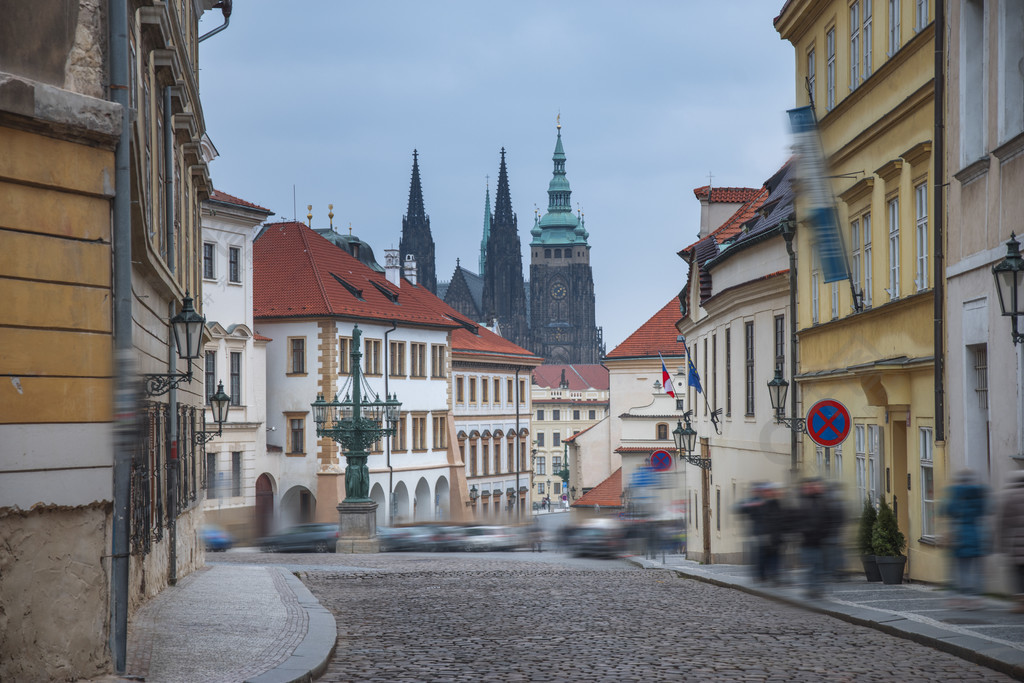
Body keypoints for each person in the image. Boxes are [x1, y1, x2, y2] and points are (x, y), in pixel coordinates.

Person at [943, 469, 990, 608]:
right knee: (976, 569)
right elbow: (986, 510)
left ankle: (962, 597)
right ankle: (975, 598)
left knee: (961, 569)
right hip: (977, 534)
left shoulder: (956, 494)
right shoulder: (978, 495)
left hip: (960, 535)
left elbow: (946, 510)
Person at [798, 477, 837, 598]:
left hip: (822, 540)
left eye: (817, 486)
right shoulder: (804, 502)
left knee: (820, 565)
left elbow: (831, 519)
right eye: (811, 486)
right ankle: (813, 587)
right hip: (809, 540)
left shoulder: (824, 501)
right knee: (812, 565)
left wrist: (826, 533)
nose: (815, 488)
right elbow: (798, 520)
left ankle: (817, 587)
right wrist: (806, 532)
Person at [997, 470, 1024, 613]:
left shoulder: (1010, 496)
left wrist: (1002, 544)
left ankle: (1020, 603)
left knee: (1018, 574)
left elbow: (1004, 522)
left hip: (1017, 543)